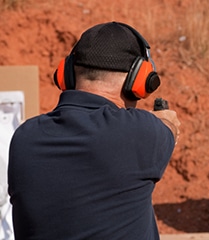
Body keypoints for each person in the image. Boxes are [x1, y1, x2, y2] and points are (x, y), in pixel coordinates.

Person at [8, 21, 180, 240]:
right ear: (138, 81)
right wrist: (164, 120)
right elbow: (169, 127)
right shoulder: (143, 132)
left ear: (66, 75)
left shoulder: (24, 137)